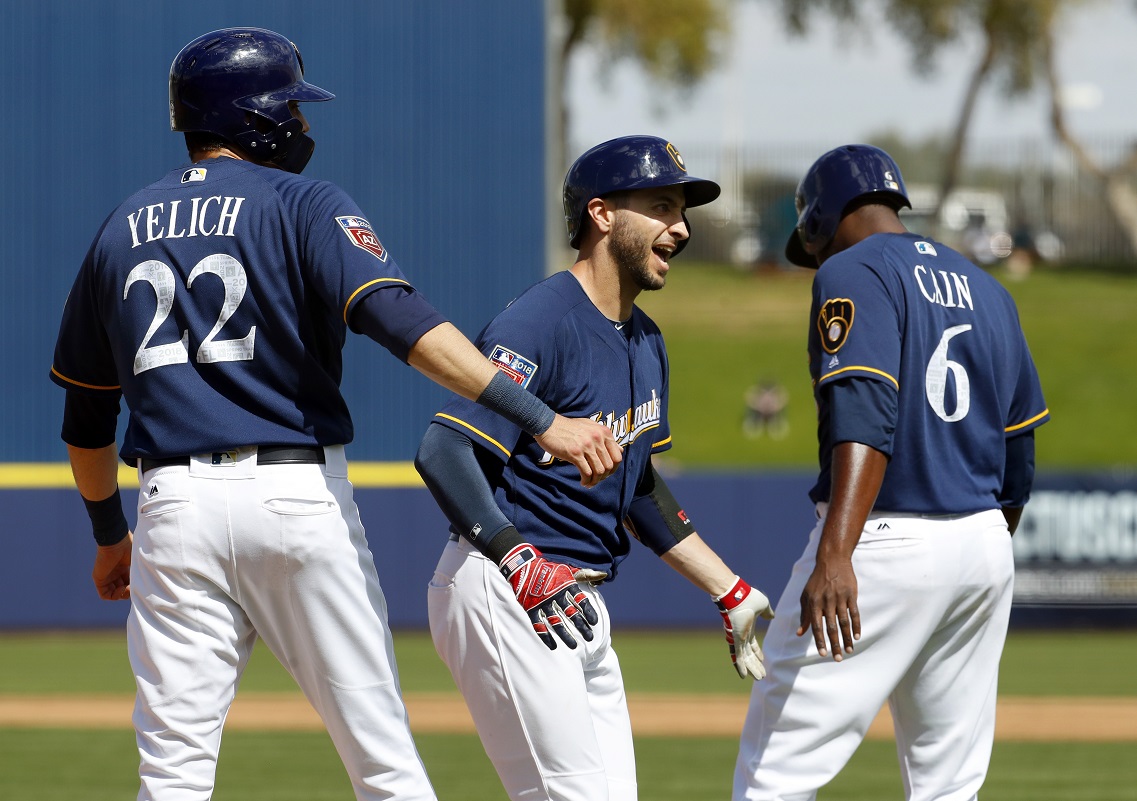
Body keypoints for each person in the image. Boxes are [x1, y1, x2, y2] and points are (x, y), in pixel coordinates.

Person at [49, 27, 621, 801]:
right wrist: (540, 416)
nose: (304, 125)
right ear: (255, 116)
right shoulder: (302, 201)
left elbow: (86, 420)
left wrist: (108, 536)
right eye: (292, 108)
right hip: (292, 495)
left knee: (173, 770)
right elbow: (402, 325)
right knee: (380, 757)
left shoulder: (121, 224)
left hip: (169, 506)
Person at [414, 135, 775, 801]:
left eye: (683, 212)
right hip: (507, 583)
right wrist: (520, 562)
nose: (681, 228)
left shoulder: (644, 338)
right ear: (602, 214)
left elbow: (634, 485)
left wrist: (728, 589)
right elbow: (444, 447)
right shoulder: (539, 320)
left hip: (576, 598)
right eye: (662, 207)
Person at [732, 144, 1050, 801]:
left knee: (775, 772)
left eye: (809, 243)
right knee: (947, 783)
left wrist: (835, 552)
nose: (813, 259)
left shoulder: (852, 270)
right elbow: (1018, 448)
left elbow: (864, 411)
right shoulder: (988, 288)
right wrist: (982, 540)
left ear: (819, 220)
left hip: (881, 540)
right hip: (983, 542)